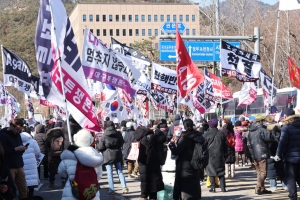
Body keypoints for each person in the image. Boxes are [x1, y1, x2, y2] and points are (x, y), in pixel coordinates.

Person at [58, 129, 104, 200]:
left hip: (72, 191)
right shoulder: (95, 156)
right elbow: (99, 175)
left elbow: (61, 173)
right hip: (91, 191)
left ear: (76, 139)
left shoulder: (69, 155)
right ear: (90, 141)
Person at [168, 119, 205, 199]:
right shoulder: (198, 136)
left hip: (185, 165)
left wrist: (171, 144)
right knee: (194, 184)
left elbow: (177, 152)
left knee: (185, 186)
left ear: (185, 127)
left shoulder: (185, 138)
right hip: (196, 164)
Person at [134, 126, 166, 200]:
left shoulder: (138, 138)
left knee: (144, 183)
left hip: (142, 163)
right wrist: (157, 130)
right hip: (152, 163)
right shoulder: (150, 137)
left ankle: (143, 196)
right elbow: (163, 138)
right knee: (153, 186)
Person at [97, 121, 128, 194]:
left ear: (106, 126)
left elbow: (101, 147)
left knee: (109, 172)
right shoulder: (118, 133)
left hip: (108, 154)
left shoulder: (104, 135)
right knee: (120, 171)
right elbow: (122, 142)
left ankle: (111, 189)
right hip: (117, 153)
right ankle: (124, 187)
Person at [275, 108, 300, 200]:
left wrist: (278, 154)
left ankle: (293, 197)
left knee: (291, 178)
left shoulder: (286, 127)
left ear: (285, 116)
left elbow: (282, 142)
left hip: (290, 157)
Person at [0, 119, 28, 199]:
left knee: (24, 189)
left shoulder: (18, 135)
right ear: (12, 126)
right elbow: (3, 152)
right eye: (17, 129)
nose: (18, 131)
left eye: (19, 130)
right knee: (10, 190)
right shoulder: (3, 135)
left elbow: (19, 149)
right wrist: (16, 149)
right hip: (9, 166)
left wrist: (22, 149)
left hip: (19, 164)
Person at [247, 115, 275, 195]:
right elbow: (270, 137)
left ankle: (262, 188)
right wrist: (272, 131)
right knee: (263, 172)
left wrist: (252, 154)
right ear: (261, 121)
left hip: (255, 154)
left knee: (259, 172)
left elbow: (248, 144)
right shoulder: (262, 129)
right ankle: (258, 187)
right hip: (262, 153)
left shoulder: (251, 131)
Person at [204, 118, 228, 193]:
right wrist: (225, 154)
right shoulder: (221, 133)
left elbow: (203, 146)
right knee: (221, 171)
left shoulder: (206, 134)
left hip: (210, 155)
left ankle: (213, 187)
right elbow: (225, 145)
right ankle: (223, 188)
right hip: (220, 154)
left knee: (211, 171)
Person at [20, 131, 41, 198]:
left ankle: (24, 196)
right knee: (32, 179)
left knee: (22, 179)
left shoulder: (17, 141)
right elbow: (37, 152)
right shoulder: (33, 141)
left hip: (21, 162)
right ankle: (31, 196)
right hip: (32, 162)